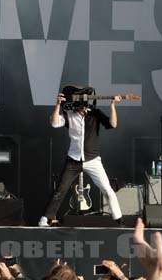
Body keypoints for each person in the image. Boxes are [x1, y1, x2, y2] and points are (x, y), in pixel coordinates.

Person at [39, 90, 123, 227]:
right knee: (61, 189)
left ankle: (119, 220)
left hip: (93, 160)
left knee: (107, 189)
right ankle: (45, 219)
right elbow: (54, 123)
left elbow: (112, 124)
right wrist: (57, 105)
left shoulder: (95, 114)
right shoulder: (69, 115)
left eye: (84, 107)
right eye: (80, 107)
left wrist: (113, 105)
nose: (82, 110)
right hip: (73, 160)